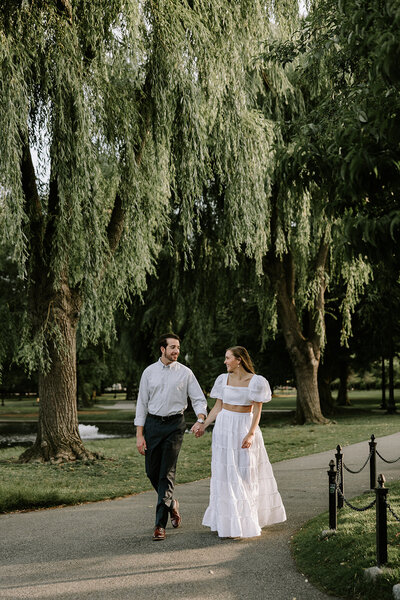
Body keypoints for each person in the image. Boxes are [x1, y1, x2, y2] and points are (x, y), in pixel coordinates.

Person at [192, 346, 286, 538]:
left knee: (245, 473)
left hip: (243, 428)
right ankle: (228, 522)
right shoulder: (222, 379)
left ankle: (246, 520)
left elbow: (257, 411)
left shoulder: (256, 381)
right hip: (224, 428)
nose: (225, 362)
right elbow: (218, 407)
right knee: (225, 473)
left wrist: (251, 433)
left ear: (239, 359)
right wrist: (203, 424)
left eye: (228, 358)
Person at [135, 333, 207, 541]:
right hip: (153, 425)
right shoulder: (149, 373)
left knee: (166, 473)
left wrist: (200, 418)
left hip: (175, 425)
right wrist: (140, 435)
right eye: (172, 347)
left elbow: (198, 399)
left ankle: (159, 525)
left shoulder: (185, 373)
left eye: (178, 348)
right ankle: (172, 503)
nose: (176, 351)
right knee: (152, 472)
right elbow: (141, 404)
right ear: (162, 349)